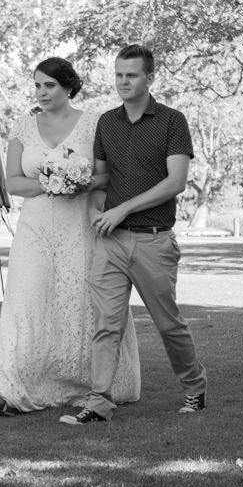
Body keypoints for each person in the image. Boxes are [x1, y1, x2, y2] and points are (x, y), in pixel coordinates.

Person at [0, 57, 141, 415]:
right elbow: (14, 182)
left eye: (48, 85)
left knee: (80, 301)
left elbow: (108, 175)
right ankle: (1, 388)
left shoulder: (94, 124)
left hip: (80, 226)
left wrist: (76, 180)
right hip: (35, 227)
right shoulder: (23, 125)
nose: (41, 92)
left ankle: (91, 384)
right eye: (36, 85)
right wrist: (51, 182)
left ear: (68, 86)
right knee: (25, 298)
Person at [61, 44, 207, 425]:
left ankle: (195, 389)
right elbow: (103, 177)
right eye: (119, 75)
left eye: (132, 75)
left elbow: (175, 182)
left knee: (168, 324)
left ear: (150, 78)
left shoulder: (173, 121)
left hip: (154, 241)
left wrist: (123, 208)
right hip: (110, 242)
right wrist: (95, 205)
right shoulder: (107, 123)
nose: (123, 82)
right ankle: (98, 402)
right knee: (107, 325)